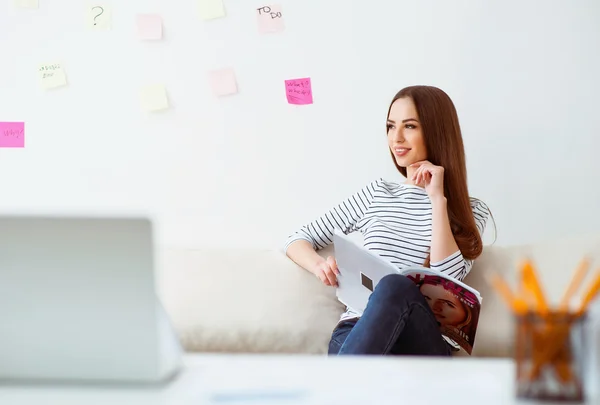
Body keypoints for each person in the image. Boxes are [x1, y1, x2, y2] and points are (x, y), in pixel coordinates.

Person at [284, 85, 494, 356]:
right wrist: (320, 266)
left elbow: (447, 281)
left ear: (436, 130)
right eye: (390, 127)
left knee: (395, 285)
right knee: (390, 287)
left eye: (409, 126)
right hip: (357, 332)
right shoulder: (377, 193)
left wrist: (438, 201)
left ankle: (335, 388)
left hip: (421, 343)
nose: (396, 138)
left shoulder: (470, 209)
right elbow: (297, 239)